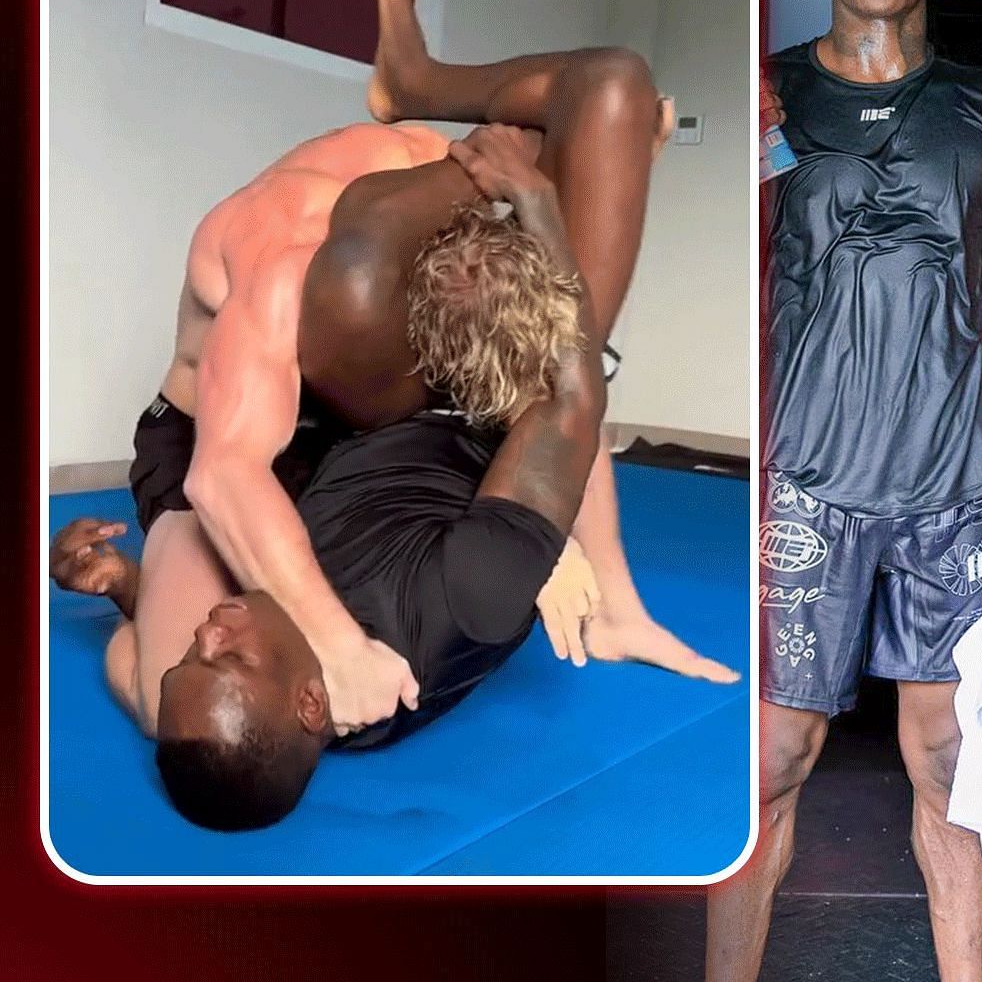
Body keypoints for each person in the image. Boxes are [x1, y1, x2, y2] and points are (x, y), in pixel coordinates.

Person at [710, 0, 982, 982]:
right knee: (772, 758)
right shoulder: (767, 94)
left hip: (952, 497)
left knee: (948, 760)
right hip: (802, 485)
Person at [53, 126, 610, 828]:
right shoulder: (468, 591)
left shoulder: (199, 689)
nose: (209, 632)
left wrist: (127, 587)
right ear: (313, 703)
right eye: (220, 657)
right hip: (399, 420)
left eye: (191, 654)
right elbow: (571, 401)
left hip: (299, 441)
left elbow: (156, 649)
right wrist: (544, 536)